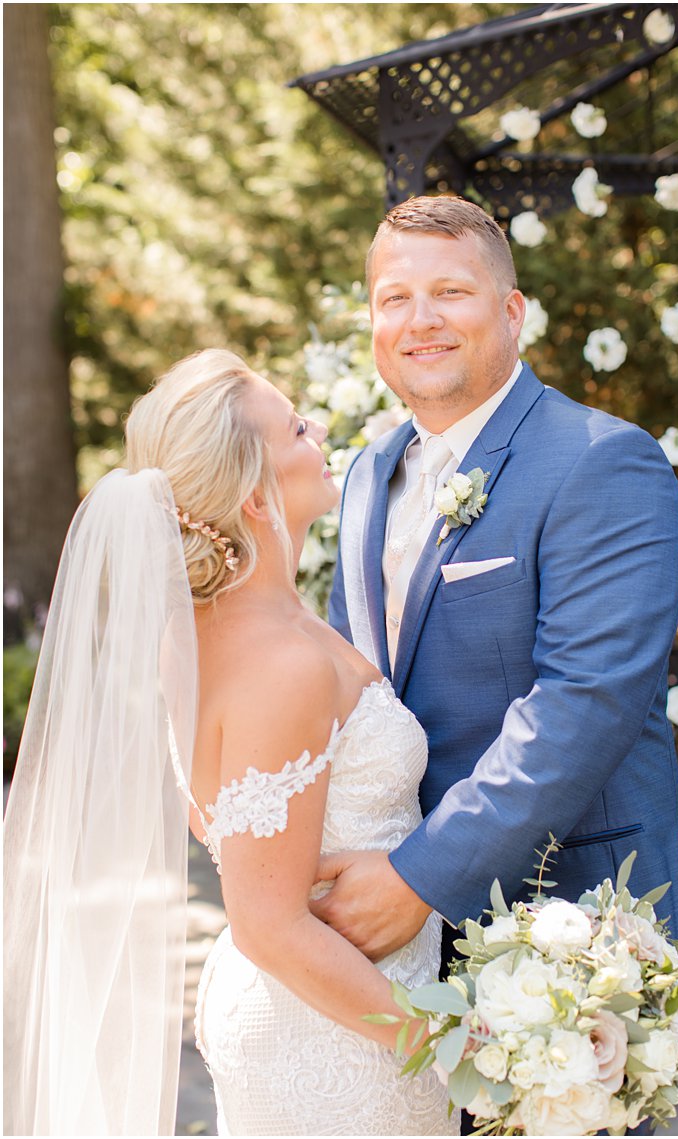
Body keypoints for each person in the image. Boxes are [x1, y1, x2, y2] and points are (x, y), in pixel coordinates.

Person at [3, 350, 455, 1134]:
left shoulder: (204, 638)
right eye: (297, 427)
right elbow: (269, 924)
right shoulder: (281, 662)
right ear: (254, 495)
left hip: (326, 1010)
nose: (319, 433)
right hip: (340, 1033)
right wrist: (451, 1047)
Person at [313, 195, 678, 972]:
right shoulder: (364, 477)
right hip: (389, 932)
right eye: (395, 299)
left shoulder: (602, 460)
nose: (421, 319)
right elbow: (345, 686)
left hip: (572, 929)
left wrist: (419, 877)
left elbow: (583, 705)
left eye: (451, 291)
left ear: (513, 311)